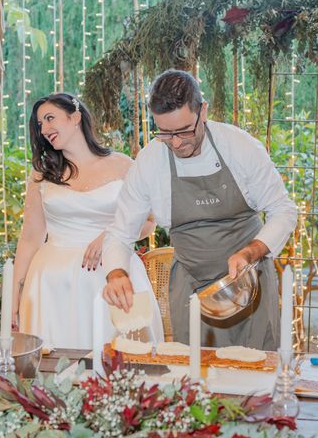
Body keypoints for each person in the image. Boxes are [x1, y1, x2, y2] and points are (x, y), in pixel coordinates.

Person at [101, 70, 297, 350]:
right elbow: (120, 233)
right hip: (191, 288)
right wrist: (116, 274)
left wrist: (250, 251)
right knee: (196, 378)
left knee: (257, 376)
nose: (177, 143)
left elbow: (283, 210)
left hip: (251, 284)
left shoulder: (240, 147)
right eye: (165, 134)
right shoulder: (149, 162)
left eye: (183, 131)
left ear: (202, 111)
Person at [13, 93, 163, 349]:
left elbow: (149, 222)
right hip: (52, 283)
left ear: (75, 117)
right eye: (40, 125)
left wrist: (111, 235)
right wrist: (14, 298)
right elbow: (29, 238)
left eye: (50, 118)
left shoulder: (122, 165)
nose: (45, 129)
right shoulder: (42, 174)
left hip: (111, 275)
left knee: (122, 361)